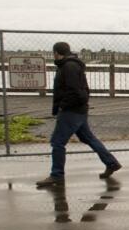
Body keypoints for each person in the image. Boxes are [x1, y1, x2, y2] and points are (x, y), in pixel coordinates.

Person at [35, 41, 122, 187]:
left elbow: (74, 90)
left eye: (54, 53)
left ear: (57, 53)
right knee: (88, 138)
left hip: (71, 111)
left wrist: (63, 106)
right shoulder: (71, 65)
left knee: (57, 142)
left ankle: (56, 175)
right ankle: (111, 163)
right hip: (79, 109)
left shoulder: (68, 66)